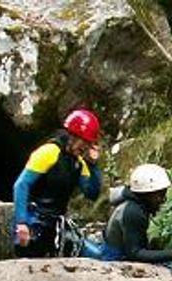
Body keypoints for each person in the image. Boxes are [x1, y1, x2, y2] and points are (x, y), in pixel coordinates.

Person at [11, 108, 103, 258]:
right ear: (73, 136)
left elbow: (91, 193)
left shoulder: (78, 163)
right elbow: (21, 185)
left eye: (88, 144)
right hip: (34, 221)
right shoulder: (49, 152)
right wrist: (22, 223)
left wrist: (93, 165)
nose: (85, 148)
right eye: (84, 143)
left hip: (56, 224)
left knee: (97, 255)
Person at [82, 163, 172, 266]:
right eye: (159, 196)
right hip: (113, 258)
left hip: (115, 247)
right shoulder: (133, 212)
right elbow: (135, 253)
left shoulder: (136, 203)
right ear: (146, 194)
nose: (163, 200)